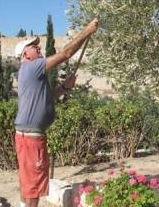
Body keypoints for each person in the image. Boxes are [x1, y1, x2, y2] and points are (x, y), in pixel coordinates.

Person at [14, 18, 99, 207]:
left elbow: (47, 98)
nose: (38, 48)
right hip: (30, 139)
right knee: (33, 186)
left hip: (28, 137)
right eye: (33, 46)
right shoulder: (31, 67)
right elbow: (66, 53)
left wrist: (64, 87)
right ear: (24, 54)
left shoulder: (33, 73)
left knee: (29, 183)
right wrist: (87, 31)